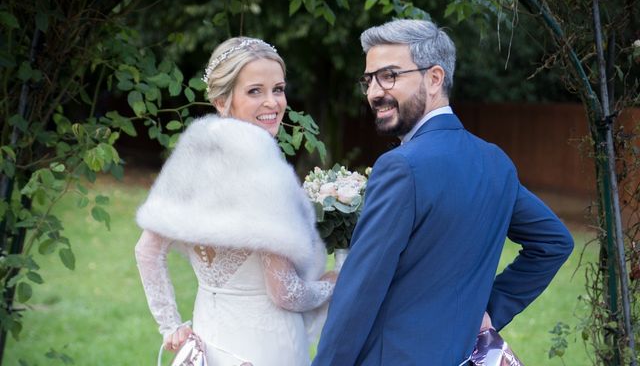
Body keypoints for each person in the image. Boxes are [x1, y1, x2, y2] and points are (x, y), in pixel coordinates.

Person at [312, 19, 574, 365]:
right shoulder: (494, 162)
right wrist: (487, 310)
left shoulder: (401, 166)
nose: (374, 92)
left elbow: (359, 292)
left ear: (434, 78)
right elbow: (555, 242)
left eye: (389, 76)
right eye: (369, 79)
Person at [135, 37, 336, 366]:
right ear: (221, 100)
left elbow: (147, 251)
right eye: (255, 91)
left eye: (278, 89)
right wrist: (332, 283)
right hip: (267, 347)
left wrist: (171, 326)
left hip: (206, 339)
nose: (272, 102)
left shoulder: (192, 158)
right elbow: (285, 292)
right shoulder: (265, 175)